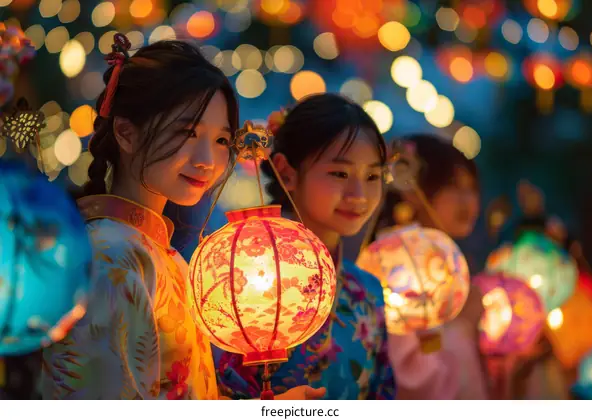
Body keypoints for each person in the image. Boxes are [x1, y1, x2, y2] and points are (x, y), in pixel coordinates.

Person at [40, 36, 323, 400]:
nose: (207, 159)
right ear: (126, 133)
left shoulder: (158, 254)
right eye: (187, 133)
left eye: (222, 140)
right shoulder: (110, 256)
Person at [212, 93, 396, 400]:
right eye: (340, 173)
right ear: (287, 173)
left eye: (373, 176)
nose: (359, 194)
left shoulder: (366, 290)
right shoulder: (243, 282)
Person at [362, 134, 487, 399]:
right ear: (411, 187)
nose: (468, 201)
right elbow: (410, 378)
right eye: (453, 186)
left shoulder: (453, 267)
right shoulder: (395, 270)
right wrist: (464, 324)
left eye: (472, 188)